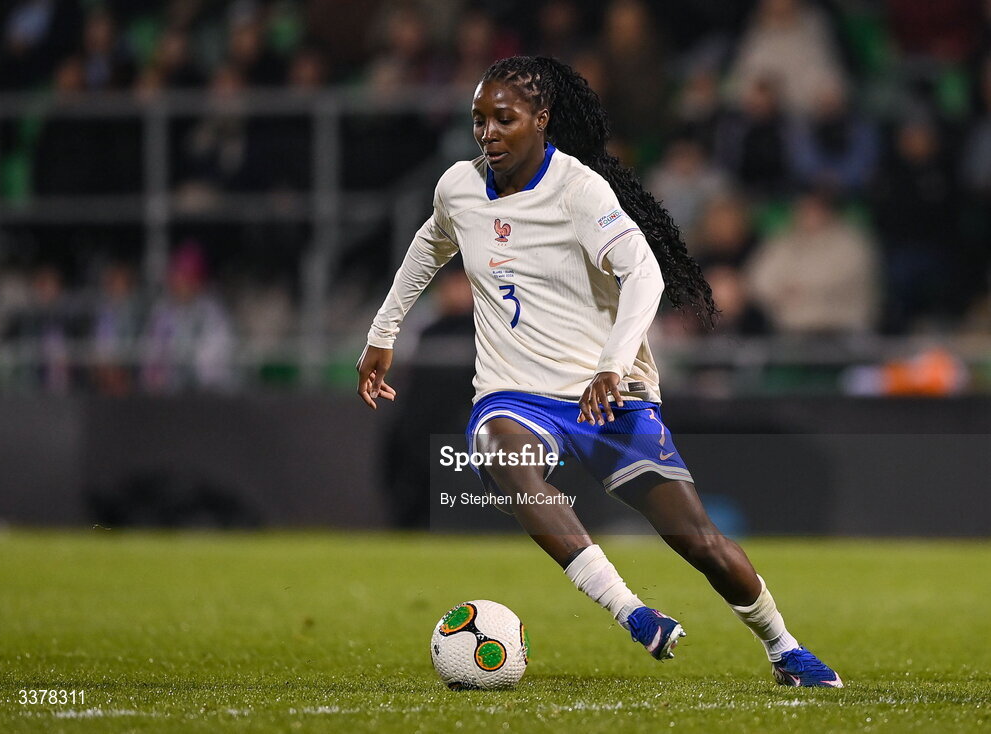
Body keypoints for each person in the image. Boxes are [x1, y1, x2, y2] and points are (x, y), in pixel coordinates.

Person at [357, 56, 842, 688]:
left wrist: (613, 367)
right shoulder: (459, 188)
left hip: (604, 394)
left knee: (699, 542)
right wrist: (382, 333)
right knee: (504, 457)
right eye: (479, 120)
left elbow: (646, 273)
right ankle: (632, 611)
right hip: (515, 395)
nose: (488, 133)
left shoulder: (579, 191)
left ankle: (784, 647)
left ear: (541, 119)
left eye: (504, 119)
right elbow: (429, 244)